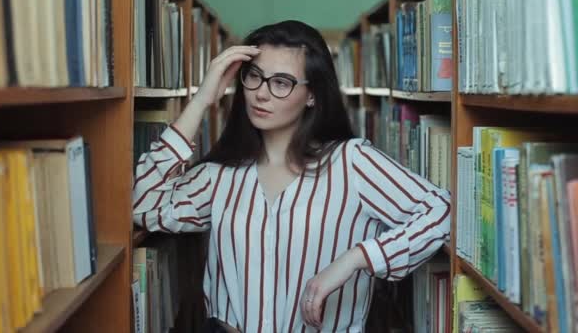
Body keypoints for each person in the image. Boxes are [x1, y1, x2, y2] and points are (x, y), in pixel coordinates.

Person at [133, 20, 450, 333]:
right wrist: (203, 98)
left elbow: (443, 211)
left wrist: (357, 258)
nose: (261, 94)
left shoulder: (352, 163)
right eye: (254, 77)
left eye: (281, 82)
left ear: (312, 95)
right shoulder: (219, 176)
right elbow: (144, 205)